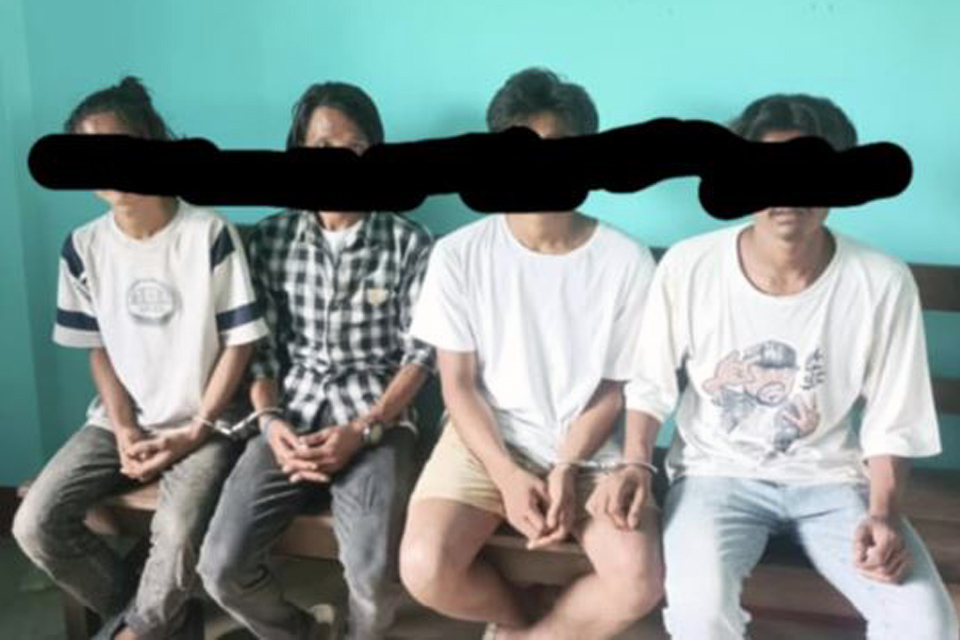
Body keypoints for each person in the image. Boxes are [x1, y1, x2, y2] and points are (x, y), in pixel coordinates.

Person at [593, 93, 959, 639]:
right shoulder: (691, 266)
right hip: (715, 475)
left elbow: (894, 415)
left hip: (833, 480)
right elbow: (649, 383)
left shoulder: (881, 281)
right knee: (699, 614)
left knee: (926, 622)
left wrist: (882, 514)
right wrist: (635, 464)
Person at [398, 68, 663, 640]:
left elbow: (614, 388)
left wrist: (566, 465)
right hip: (487, 440)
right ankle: (517, 616)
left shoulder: (626, 261)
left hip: (590, 446)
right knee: (424, 566)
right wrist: (507, 474)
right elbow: (458, 384)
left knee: (638, 581)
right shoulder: (459, 255)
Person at [12, 76, 267, 640]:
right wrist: (124, 426)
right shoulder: (82, 247)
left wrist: (197, 427)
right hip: (117, 423)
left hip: (207, 422)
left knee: (176, 532)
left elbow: (241, 342)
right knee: (35, 524)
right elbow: (98, 348)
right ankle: (161, 621)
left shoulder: (209, 234)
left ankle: (135, 631)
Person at [197, 81, 435, 640]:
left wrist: (365, 427)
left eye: (355, 148)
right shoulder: (271, 239)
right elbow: (260, 351)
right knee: (220, 567)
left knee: (372, 576)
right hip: (290, 420)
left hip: (376, 422)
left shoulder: (410, 243)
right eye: (322, 148)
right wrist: (270, 422)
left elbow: (422, 356)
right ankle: (302, 631)